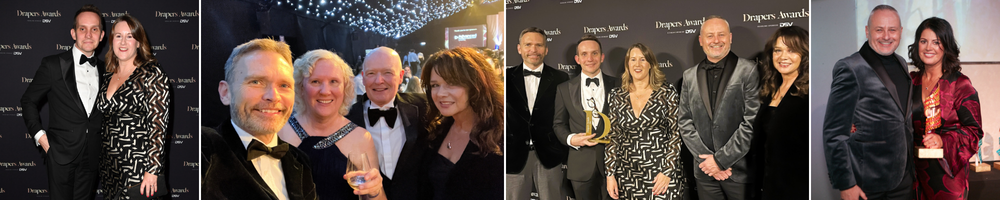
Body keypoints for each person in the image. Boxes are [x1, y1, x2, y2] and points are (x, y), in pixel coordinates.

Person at [201, 38, 318, 200]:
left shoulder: (300, 160)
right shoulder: (203, 147)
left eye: (284, 85)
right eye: (256, 82)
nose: (273, 96)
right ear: (225, 93)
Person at [824, 5, 915, 200]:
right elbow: (834, 132)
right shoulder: (850, 67)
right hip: (868, 182)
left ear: (900, 32)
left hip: (904, 177)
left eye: (892, 30)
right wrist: (846, 183)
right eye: (879, 29)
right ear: (867, 31)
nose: (886, 36)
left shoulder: (901, 63)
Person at [275, 49, 386, 200]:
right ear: (301, 87)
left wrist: (374, 191)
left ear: (345, 88)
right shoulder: (278, 131)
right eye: (315, 81)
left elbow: (375, 197)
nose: (325, 91)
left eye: (334, 82)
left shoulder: (361, 138)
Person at [20, 5, 105, 200]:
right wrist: (42, 139)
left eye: (94, 29)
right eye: (82, 28)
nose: (88, 34)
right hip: (60, 153)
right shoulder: (53, 65)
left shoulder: (106, 69)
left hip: (93, 155)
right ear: (73, 33)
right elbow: (28, 100)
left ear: (101, 36)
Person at [677, 15, 759, 200]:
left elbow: (752, 122)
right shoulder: (689, 76)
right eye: (710, 35)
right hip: (705, 172)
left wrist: (720, 160)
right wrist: (709, 162)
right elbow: (685, 122)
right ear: (701, 40)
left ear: (730, 37)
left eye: (721, 34)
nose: (716, 40)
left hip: (738, 171)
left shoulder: (749, 70)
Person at [95, 14, 170, 200]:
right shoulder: (108, 74)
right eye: (118, 36)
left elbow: (158, 126)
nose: (123, 42)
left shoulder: (151, 73)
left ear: (138, 42)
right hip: (109, 168)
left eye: (130, 36)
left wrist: (152, 170)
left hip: (138, 168)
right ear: (111, 40)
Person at [907, 17, 982, 200]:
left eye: (936, 42)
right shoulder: (910, 81)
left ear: (946, 46)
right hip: (913, 177)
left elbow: (974, 132)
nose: (928, 47)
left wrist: (943, 140)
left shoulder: (960, 84)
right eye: (923, 41)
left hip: (947, 177)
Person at [418, 47, 504, 199]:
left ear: (476, 85)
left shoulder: (501, 135)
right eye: (435, 85)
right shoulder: (436, 131)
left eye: (451, 83)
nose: (440, 93)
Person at [346, 47, 428, 200]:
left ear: (401, 76)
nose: (379, 81)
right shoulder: (347, 118)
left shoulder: (423, 107)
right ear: (363, 78)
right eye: (371, 73)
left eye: (387, 73)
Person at [605, 43, 685, 200]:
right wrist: (610, 174)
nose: (637, 64)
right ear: (627, 64)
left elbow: (676, 133)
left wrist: (667, 171)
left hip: (661, 174)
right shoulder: (616, 95)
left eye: (642, 59)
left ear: (651, 64)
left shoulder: (666, 92)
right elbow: (612, 137)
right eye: (633, 59)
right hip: (627, 175)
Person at [553, 34, 621, 200]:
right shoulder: (564, 89)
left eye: (594, 53)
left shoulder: (619, 85)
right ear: (577, 59)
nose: (590, 59)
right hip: (580, 167)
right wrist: (571, 139)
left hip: (615, 167)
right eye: (584, 54)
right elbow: (558, 124)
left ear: (602, 57)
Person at [507, 27, 570, 200]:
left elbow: (565, 117)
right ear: (519, 48)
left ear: (546, 49)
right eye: (528, 45)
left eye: (539, 45)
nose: (533, 50)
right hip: (513, 156)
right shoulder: (505, 78)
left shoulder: (561, 78)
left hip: (549, 157)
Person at [751, 26, 809, 199]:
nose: (783, 56)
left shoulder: (808, 94)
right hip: (767, 186)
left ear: (804, 54)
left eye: (791, 50)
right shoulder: (770, 91)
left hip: (795, 189)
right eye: (778, 50)